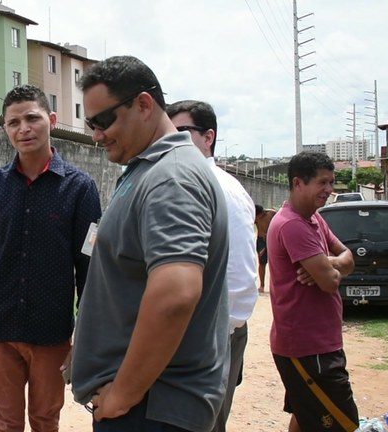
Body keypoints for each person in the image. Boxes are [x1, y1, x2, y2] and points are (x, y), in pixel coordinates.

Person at [70, 56, 230, 432]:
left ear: (144, 104)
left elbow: (176, 294)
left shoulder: (171, 179)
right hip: (147, 405)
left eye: (103, 121)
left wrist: (121, 394)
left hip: (152, 408)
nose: (96, 135)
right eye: (91, 124)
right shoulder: (148, 170)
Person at [0, 84, 102, 432]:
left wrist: (84, 334)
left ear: (51, 120)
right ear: (5, 129)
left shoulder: (80, 188)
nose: (23, 129)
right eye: (13, 122)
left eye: (32, 118)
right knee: (5, 423)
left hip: (51, 332)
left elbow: (89, 266)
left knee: (45, 421)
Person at [167, 100, 258, 432]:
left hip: (211, 337)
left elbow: (237, 277)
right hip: (214, 334)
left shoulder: (212, 186)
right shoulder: (205, 182)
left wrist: (214, 332)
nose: (171, 140)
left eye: (181, 132)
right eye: (167, 132)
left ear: (208, 137)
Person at [267, 151, 358, 432]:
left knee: (307, 418)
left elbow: (348, 258)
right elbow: (330, 282)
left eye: (331, 182)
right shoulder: (294, 224)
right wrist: (331, 268)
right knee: (342, 424)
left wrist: (327, 262)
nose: (329, 190)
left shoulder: (314, 220)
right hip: (308, 348)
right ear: (298, 183)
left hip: (317, 343)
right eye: (322, 183)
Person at [254, 204, 276, 293]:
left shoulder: (271, 214)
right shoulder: (253, 217)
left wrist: (270, 234)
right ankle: (262, 285)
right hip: (261, 242)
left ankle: (274, 286)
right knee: (262, 263)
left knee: (274, 264)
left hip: (273, 240)